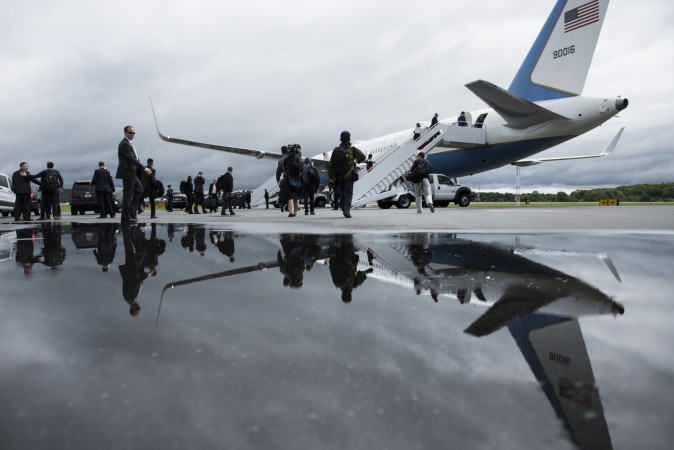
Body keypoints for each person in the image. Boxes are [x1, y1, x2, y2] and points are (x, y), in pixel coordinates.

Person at [116, 125, 152, 223]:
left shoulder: (130, 143)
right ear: (125, 133)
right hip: (127, 172)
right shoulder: (124, 144)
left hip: (132, 173)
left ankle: (131, 211)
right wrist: (144, 168)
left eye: (134, 133)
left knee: (139, 190)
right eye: (130, 133)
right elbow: (131, 159)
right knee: (127, 195)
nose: (132, 135)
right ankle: (125, 217)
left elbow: (136, 158)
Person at [329, 131, 366, 218]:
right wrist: (358, 160)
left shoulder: (335, 150)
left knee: (342, 192)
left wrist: (332, 177)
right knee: (349, 193)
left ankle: (343, 207)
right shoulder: (352, 150)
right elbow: (363, 157)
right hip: (349, 175)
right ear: (349, 139)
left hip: (339, 176)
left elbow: (331, 165)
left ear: (340, 139)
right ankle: (346, 210)